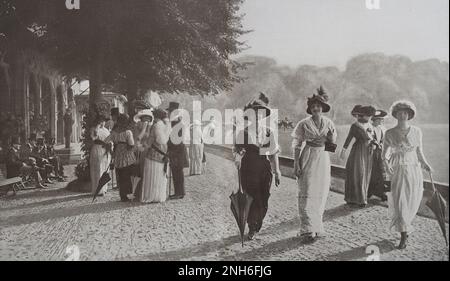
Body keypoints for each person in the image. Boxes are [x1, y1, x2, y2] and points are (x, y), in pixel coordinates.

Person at [382, 101, 432, 249]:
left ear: (409, 115)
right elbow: (384, 154)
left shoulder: (416, 131)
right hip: (398, 169)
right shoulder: (389, 133)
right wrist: (386, 165)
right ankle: (403, 235)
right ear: (395, 114)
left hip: (414, 169)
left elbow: (419, 151)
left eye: (405, 112)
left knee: (411, 200)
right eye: (399, 112)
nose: (402, 115)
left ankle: (406, 226)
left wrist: (425, 163)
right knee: (400, 201)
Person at [233, 93, 281, 240]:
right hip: (248, 168)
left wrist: (277, 171)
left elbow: (273, 153)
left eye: (261, 114)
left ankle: (257, 222)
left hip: (265, 169)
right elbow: (237, 151)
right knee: (252, 197)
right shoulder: (243, 132)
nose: (258, 116)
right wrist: (237, 158)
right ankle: (252, 226)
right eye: (255, 113)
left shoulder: (268, 132)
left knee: (264, 198)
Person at [292, 86, 337, 243]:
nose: (316, 108)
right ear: (310, 109)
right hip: (308, 156)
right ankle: (307, 229)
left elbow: (331, 147)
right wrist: (296, 164)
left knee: (320, 191)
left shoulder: (329, 123)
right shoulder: (303, 124)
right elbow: (297, 145)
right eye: (313, 107)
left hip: (323, 158)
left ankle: (317, 226)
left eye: (318, 106)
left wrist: (330, 140)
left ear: (323, 108)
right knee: (307, 190)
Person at [340, 105, 376, 207]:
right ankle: (355, 199)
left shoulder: (370, 125)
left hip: (368, 152)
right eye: (368, 116)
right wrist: (343, 150)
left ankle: (362, 197)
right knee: (357, 173)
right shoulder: (355, 126)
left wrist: (374, 144)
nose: (369, 118)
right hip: (358, 151)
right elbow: (349, 138)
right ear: (362, 115)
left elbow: (372, 138)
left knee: (365, 174)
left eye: (370, 116)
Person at [136, 109, 171, 203]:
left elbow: (149, 143)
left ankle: (150, 196)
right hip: (163, 154)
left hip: (153, 155)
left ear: (156, 117)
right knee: (159, 176)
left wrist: (140, 147)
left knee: (151, 176)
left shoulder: (155, 126)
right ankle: (159, 196)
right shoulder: (165, 126)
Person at [104, 114, 137, 202]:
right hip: (127, 155)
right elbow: (131, 144)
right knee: (127, 175)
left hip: (118, 154)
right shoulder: (128, 132)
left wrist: (111, 151)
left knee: (121, 175)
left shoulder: (114, 132)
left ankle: (122, 195)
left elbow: (106, 141)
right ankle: (129, 194)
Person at [167, 102, 188, 200]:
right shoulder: (174, 123)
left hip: (178, 150)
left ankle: (179, 192)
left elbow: (178, 140)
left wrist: (172, 151)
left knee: (178, 171)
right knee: (175, 171)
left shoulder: (179, 124)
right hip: (175, 149)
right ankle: (178, 192)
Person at [368, 110, 388, 201]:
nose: (380, 121)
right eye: (379, 119)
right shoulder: (369, 128)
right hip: (371, 152)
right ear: (374, 119)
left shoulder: (382, 128)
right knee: (372, 171)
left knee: (382, 171)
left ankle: (382, 192)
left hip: (380, 152)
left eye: (381, 119)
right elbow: (368, 139)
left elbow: (385, 140)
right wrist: (374, 144)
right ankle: (369, 191)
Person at [89, 115, 112, 197]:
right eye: (100, 121)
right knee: (98, 168)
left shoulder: (106, 130)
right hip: (97, 149)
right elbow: (93, 138)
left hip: (105, 150)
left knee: (105, 168)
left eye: (103, 121)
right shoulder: (94, 129)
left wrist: (110, 146)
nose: (102, 123)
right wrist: (97, 127)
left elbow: (110, 138)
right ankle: (98, 189)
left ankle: (104, 188)